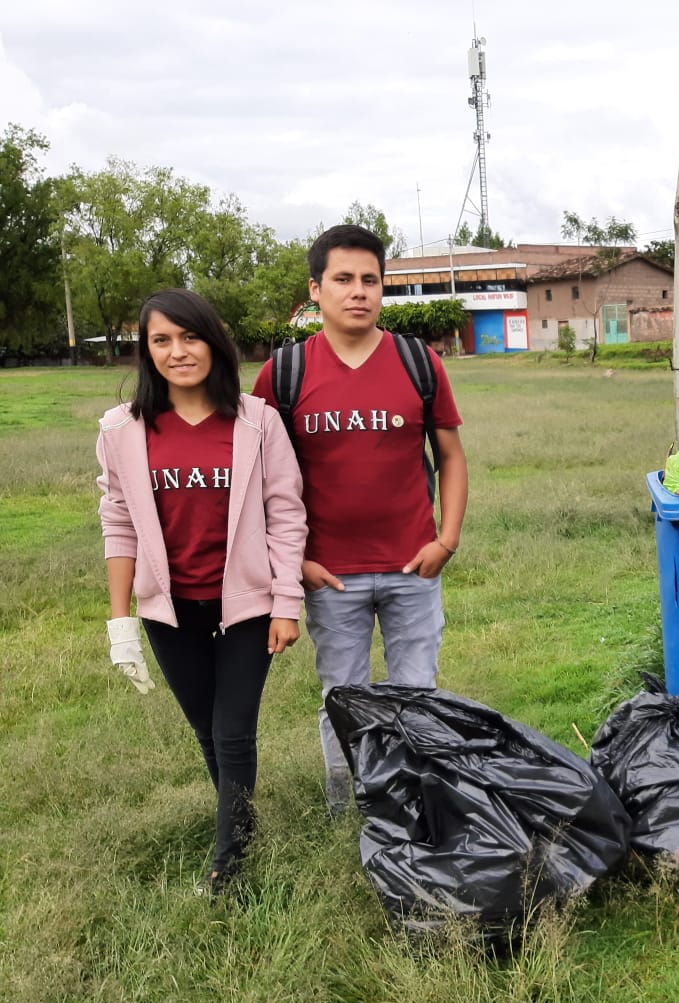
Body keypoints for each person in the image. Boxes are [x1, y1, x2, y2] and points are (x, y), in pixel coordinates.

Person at [252, 224, 469, 816]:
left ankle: (417, 807)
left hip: (413, 568)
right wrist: (294, 561)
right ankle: (348, 811)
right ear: (315, 290)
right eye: (343, 279)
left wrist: (445, 540)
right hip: (331, 576)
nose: (358, 292)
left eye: (370, 280)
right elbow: (261, 482)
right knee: (342, 698)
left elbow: (449, 456)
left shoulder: (417, 362)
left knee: (418, 697)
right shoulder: (284, 374)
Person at [97, 288, 307, 895]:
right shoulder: (122, 429)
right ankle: (240, 821)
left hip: (246, 605)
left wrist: (286, 604)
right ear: (146, 351)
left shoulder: (255, 421)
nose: (177, 352)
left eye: (189, 337)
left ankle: (229, 862)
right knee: (206, 730)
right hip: (168, 610)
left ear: (214, 342)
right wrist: (121, 624)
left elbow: (286, 514)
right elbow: (118, 520)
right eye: (160, 340)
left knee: (234, 727)